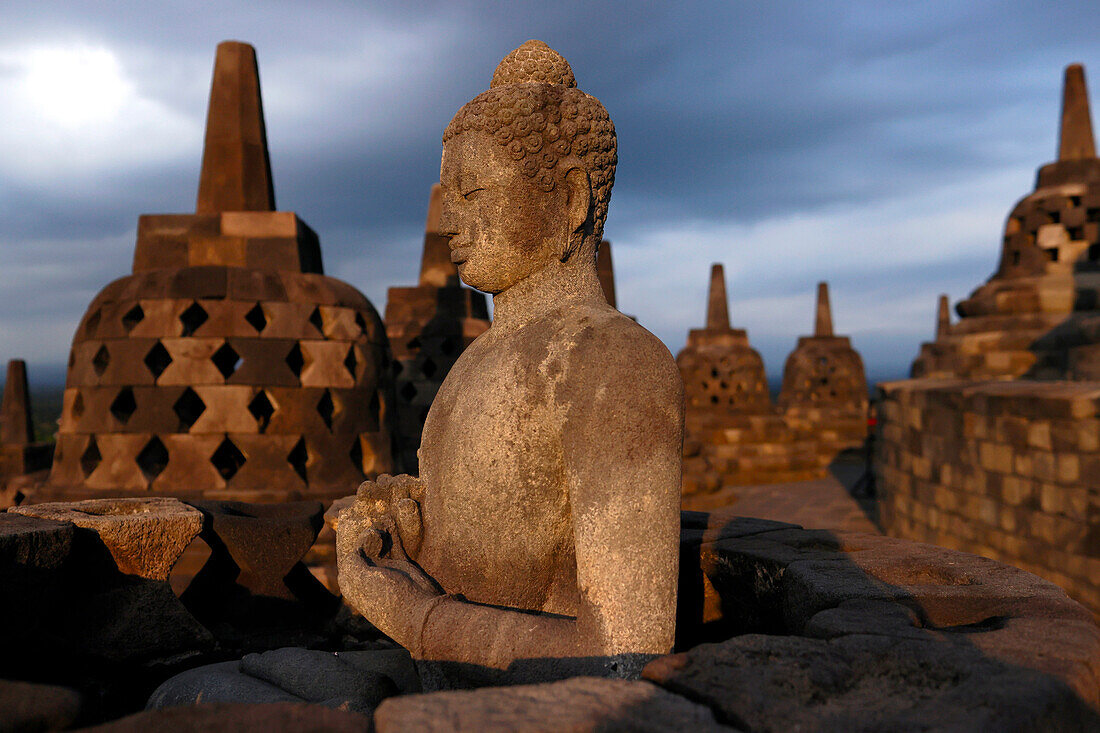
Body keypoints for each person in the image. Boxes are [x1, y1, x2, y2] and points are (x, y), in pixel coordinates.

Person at [336, 40, 683, 684]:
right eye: (449, 198)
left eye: (475, 194)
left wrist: (417, 619)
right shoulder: (475, 362)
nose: (451, 224)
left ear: (571, 199)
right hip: (438, 677)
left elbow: (629, 652)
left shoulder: (613, 363)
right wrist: (408, 529)